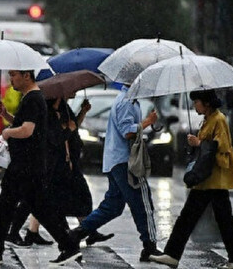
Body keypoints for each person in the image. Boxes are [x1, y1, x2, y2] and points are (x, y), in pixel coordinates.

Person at [0, 70, 81, 266]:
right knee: (7, 206)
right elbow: (26, 124)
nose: (11, 79)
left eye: (14, 75)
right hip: (26, 165)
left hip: (26, 167)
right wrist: (5, 115)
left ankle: (69, 245)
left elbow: (27, 130)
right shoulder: (32, 98)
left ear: (26, 76)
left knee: (37, 209)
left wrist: (6, 133)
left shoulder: (33, 99)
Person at [150, 90, 233, 269]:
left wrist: (198, 143)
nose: (194, 106)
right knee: (197, 217)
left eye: (197, 102)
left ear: (206, 103)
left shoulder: (218, 119)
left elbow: (223, 146)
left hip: (214, 180)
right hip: (207, 179)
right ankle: (173, 254)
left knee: (215, 219)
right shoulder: (208, 119)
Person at [68, 84, 162, 262]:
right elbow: (127, 132)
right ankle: (149, 246)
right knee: (143, 203)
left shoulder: (131, 101)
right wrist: (148, 121)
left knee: (112, 207)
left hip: (116, 161)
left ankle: (75, 234)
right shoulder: (126, 102)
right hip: (125, 162)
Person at [5, 97, 113, 248]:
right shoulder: (44, 111)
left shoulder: (64, 108)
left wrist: (82, 112)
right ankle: (20, 232)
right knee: (35, 199)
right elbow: (54, 139)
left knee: (81, 197)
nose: (73, 93)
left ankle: (82, 232)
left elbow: (73, 127)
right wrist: (68, 129)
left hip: (67, 163)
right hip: (50, 164)